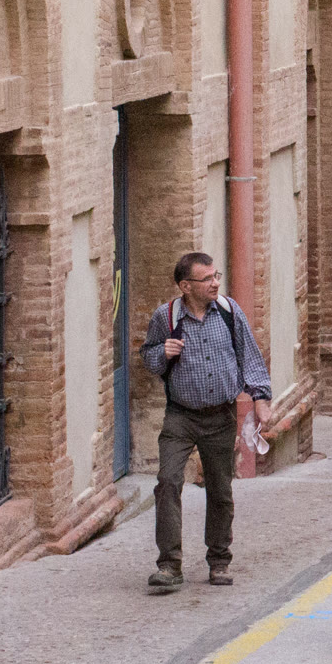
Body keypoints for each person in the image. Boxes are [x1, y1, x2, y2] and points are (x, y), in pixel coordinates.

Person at [141, 252, 272, 594]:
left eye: (217, 276)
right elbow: (149, 359)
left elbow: (249, 356)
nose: (215, 283)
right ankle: (169, 565)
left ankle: (219, 560)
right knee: (168, 481)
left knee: (220, 488)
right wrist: (162, 353)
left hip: (220, 416)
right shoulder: (166, 317)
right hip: (180, 415)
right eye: (207, 279)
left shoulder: (229, 311)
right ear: (186, 286)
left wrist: (260, 398)